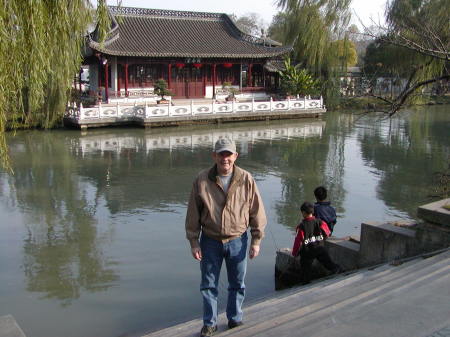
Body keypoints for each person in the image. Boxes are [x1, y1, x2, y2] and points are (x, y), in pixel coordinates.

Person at [185, 138, 267, 337]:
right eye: (221, 154)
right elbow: (193, 213)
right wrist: (194, 242)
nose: (225, 159)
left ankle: (235, 318)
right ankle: (209, 323)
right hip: (210, 240)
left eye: (228, 154)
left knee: (237, 284)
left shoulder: (246, 179)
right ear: (214, 156)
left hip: (238, 240)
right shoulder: (202, 180)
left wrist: (256, 240)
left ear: (235, 156)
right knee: (208, 285)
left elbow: (257, 211)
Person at [292, 201, 340, 284]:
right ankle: (337, 269)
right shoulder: (320, 222)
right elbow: (327, 232)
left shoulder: (301, 226)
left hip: (307, 252)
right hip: (319, 248)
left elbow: (298, 242)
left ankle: (306, 282)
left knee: (305, 268)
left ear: (303, 212)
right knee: (328, 262)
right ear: (312, 211)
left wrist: (294, 253)